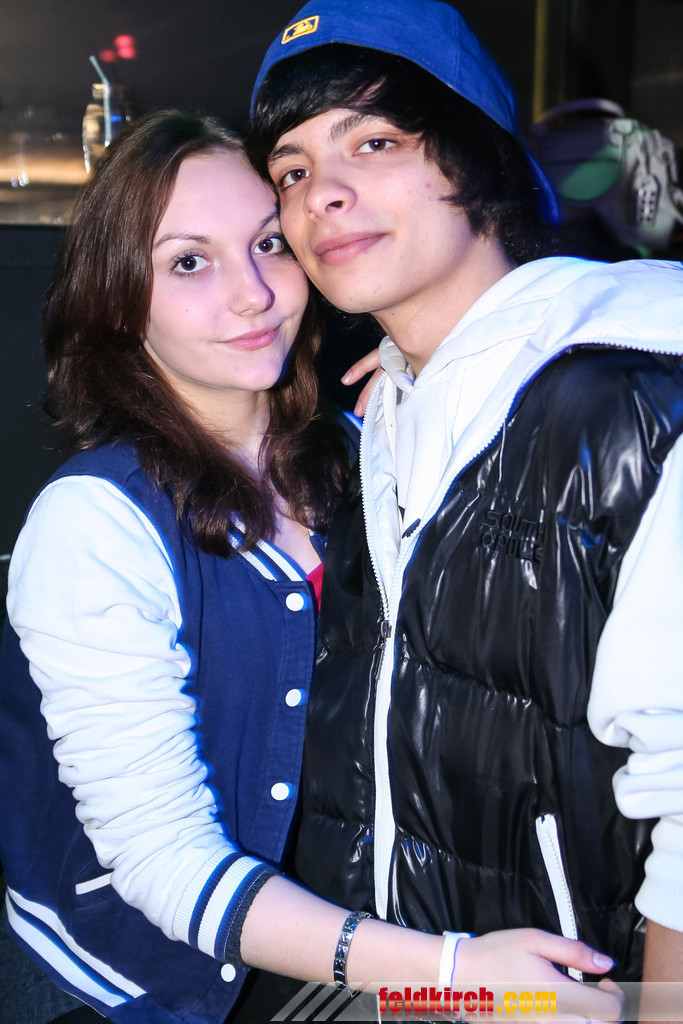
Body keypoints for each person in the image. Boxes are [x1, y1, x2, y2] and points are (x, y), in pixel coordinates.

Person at [0, 109, 621, 1024]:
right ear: (118, 301)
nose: (252, 295)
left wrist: (430, 376)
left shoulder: (358, 450)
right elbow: (164, 860)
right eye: (188, 263)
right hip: (123, 980)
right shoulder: (94, 522)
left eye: (267, 245)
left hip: (321, 938)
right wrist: (452, 973)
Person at [248, 0, 683, 1000]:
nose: (323, 194)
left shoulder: (632, 403)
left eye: (375, 141)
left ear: (477, 152)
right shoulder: (388, 406)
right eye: (291, 170)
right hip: (424, 983)